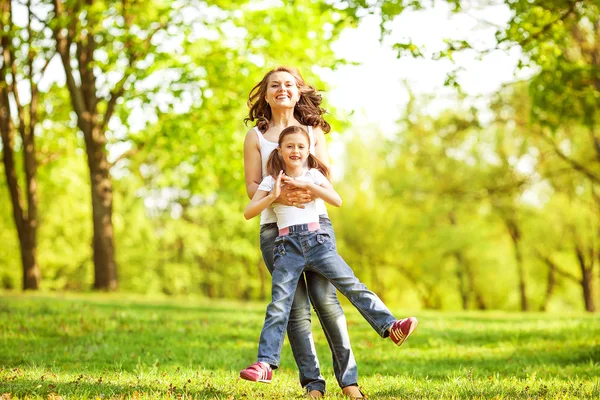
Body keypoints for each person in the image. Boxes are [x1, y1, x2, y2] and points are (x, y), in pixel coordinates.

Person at [239, 126, 418, 388]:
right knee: (280, 303)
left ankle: (391, 326)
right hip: (286, 246)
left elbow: (336, 200)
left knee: (351, 285)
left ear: (309, 150)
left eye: (301, 147)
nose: (295, 151)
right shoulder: (271, 180)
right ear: (280, 150)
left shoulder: (314, 175)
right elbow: (248, 211)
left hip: (318, 242)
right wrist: (274, 196)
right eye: (289, 146)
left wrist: (308, 185)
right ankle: (265, 364)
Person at [243, 66, 365, 399]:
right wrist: (278, 195)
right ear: (266, 94)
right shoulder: (256, 136)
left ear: (298, 92)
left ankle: (350, 383)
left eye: (288, 84)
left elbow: (324, 178)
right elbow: (253, 185)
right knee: (296, 310)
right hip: (275, 230)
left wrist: (305, 190)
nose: (282, 89)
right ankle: (313, 385)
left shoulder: (313, 132)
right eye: (274, 85)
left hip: (316, 228)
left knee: (328, 303)